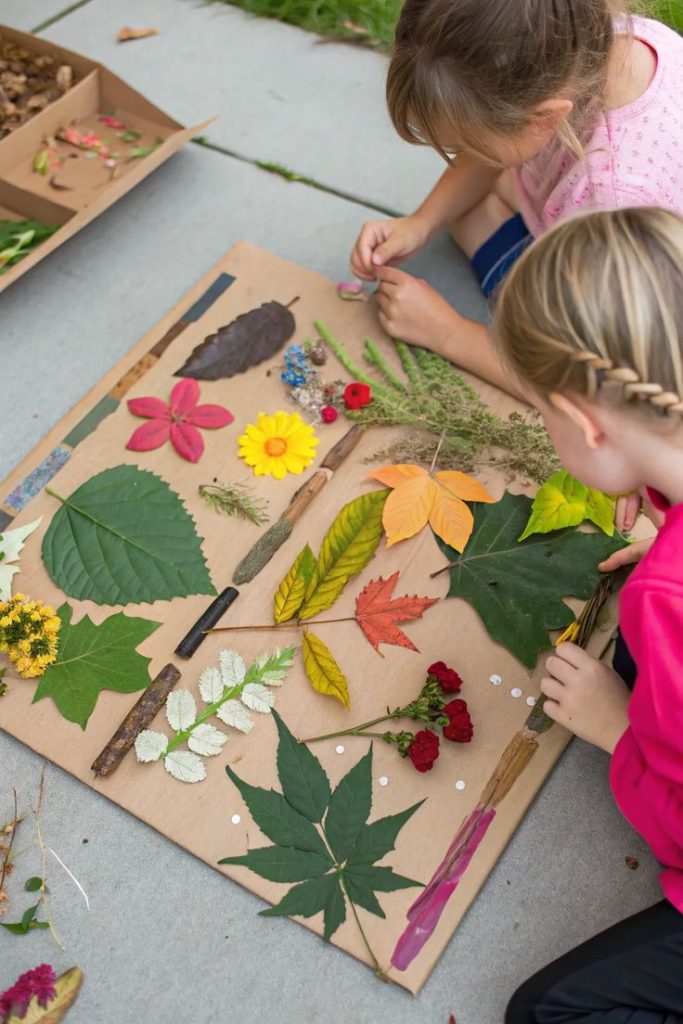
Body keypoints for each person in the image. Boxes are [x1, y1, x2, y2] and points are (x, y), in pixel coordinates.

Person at [492, 206, 683, 1024]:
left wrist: (619, 734)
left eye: (540, 415)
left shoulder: (665, 602)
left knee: (544, 1014)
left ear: (582, 425)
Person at [350, 0, 683, 400]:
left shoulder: (611, 200)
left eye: (469, 146)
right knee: (466, 205)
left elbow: (587, 387)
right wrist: (420, 222)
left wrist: (445, 331)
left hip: (642, 311)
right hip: (612, 235)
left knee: (473, 219)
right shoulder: (599, 40)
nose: (461, 156)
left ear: (545, 118)